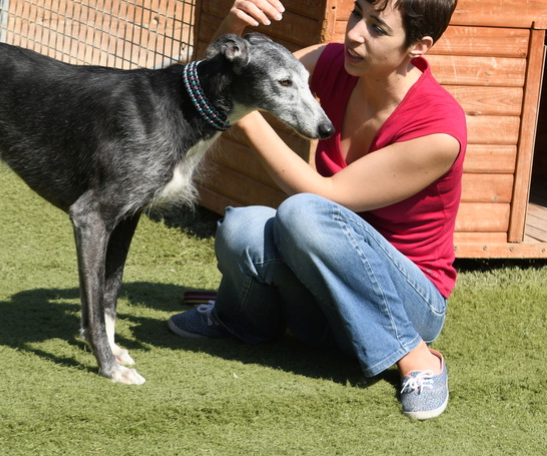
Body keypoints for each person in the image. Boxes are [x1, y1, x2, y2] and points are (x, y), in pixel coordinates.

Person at [168, 0, 465, 420]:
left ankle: (416, 357)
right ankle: (239, 320)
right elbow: (224, 76)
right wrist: (234, 26)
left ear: (419, 46)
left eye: (378, 28)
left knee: (303, 213)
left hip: (409, 303)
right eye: (357, 14)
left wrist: (244, 112)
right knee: (242, 227)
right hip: (325, 288)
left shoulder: (438, 130)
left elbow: (323, 195)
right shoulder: (335, 61)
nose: (356, 33)